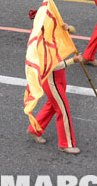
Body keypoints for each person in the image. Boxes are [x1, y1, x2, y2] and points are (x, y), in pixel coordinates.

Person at [26, 9, 83, 155]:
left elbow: (74, 31)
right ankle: (65, 144)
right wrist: (73, 61)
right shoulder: (40, 42)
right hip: (51, 80)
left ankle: (34, 129)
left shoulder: (52, 31)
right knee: (63, 110)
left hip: (60, 78)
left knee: (52, 105)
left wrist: (67, 28)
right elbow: (51, 65)